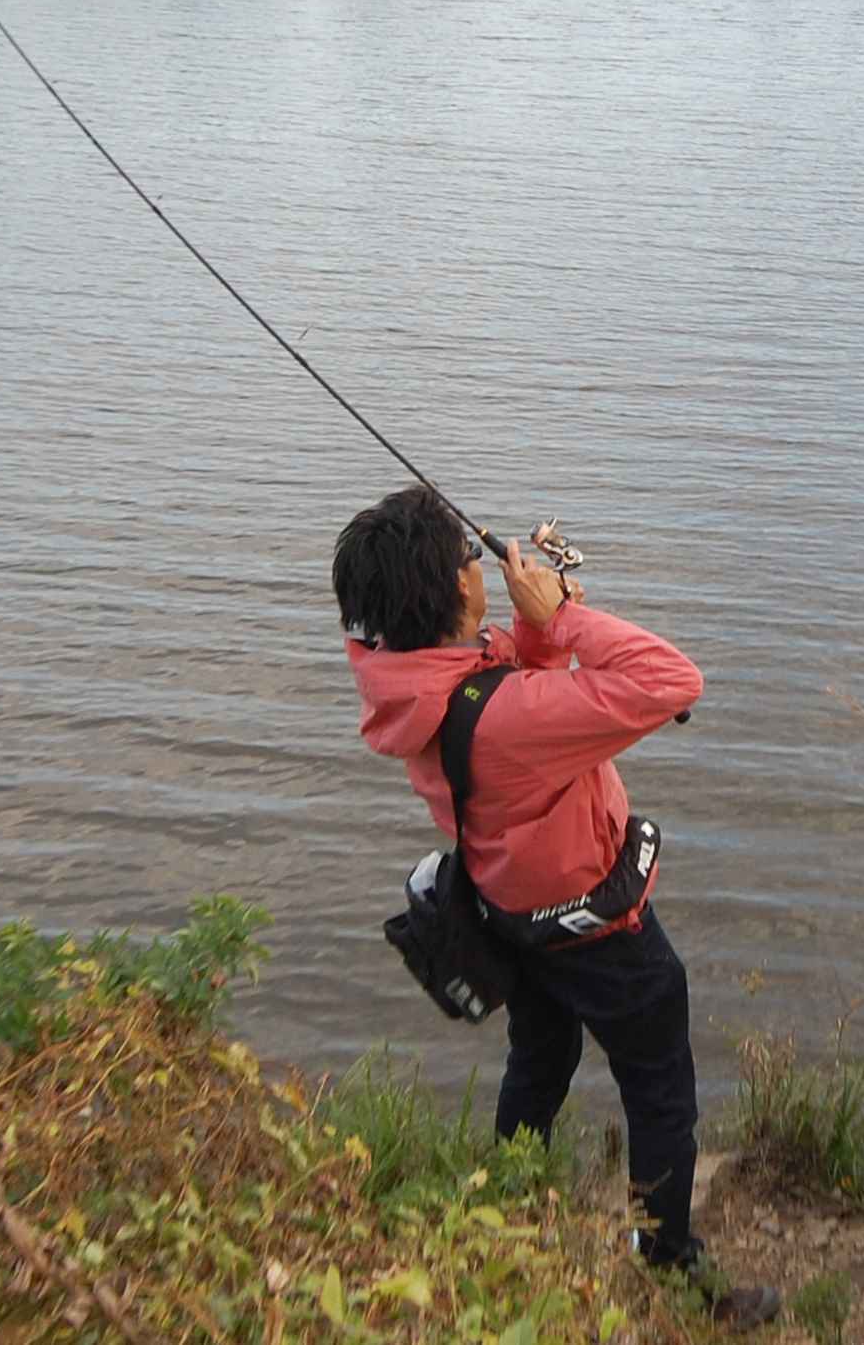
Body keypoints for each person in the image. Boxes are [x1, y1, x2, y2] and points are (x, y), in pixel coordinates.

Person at [332, 484, 780, 1332]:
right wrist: (569, 621)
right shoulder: (505, 717)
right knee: (659, 1088)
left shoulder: (412, 683)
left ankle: (501, 1203)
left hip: (509, 913)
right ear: (455, 593)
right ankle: (669, 1258)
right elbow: (674, 679)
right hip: (597, 932)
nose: (481, 561)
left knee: (540, 1061)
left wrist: (534, 628)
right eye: (470, 557)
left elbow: (508, 690)